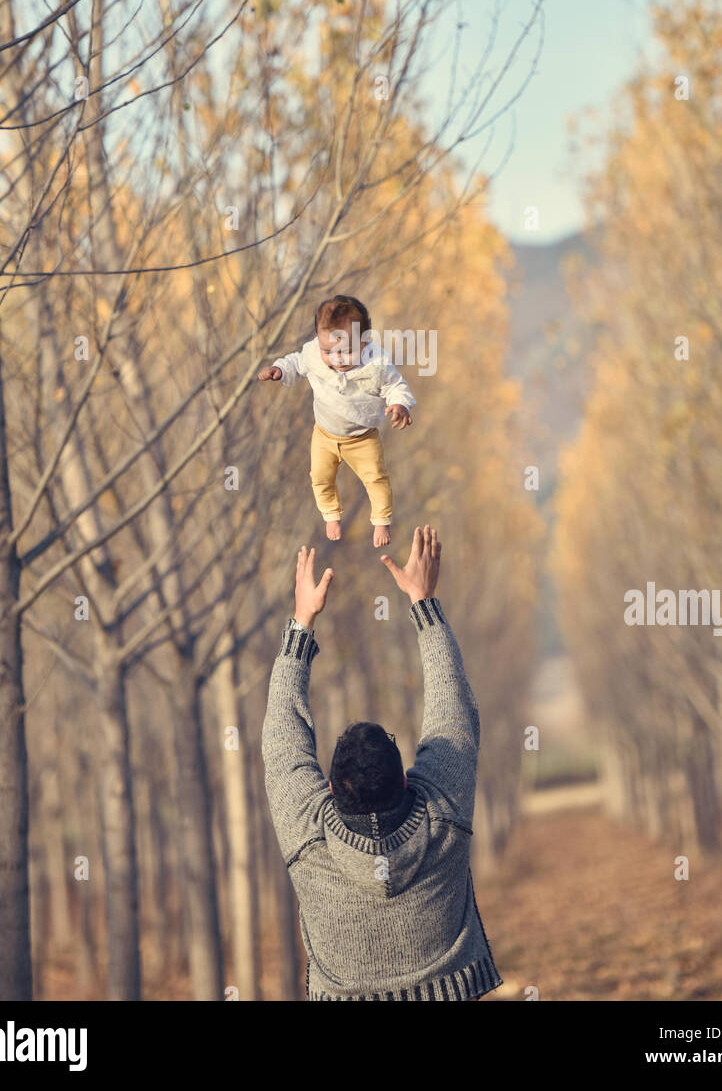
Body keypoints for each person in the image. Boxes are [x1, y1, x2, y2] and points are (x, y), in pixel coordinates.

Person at [261, 525, 502, 1001]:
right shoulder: (442, 815)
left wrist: (301, 622)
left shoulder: (309, 838)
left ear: (331, 789)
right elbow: (453, 713)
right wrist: (423, 602)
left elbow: (280, 739)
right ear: (408, 777)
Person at [257, 295, 415, 547]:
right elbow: (295, 362)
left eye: (347, 351)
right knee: (319, 476)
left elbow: (396, 385)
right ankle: (331, 514)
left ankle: (381, 520)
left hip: (363, 438)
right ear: (318, 341)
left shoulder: (376, 363)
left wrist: (399, 404)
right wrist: (280, 370)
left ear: (365, 343)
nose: (338, 358)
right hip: (324, 435)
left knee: (375, 478)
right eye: (329, 351)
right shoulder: (312, 355)